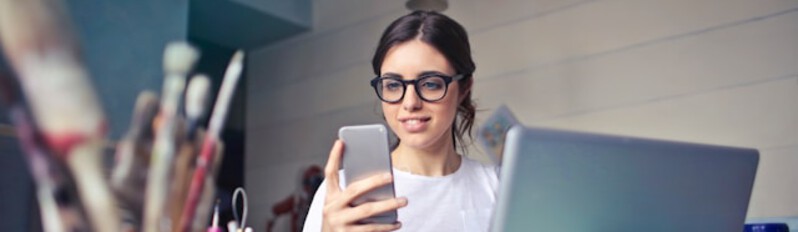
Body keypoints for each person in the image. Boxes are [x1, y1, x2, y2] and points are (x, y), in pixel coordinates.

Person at [303, 11, 498, 232]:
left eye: (430, 84)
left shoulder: (498, 187)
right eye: (394, 85)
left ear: (464, 88)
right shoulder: (343, 194)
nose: (410, 103)